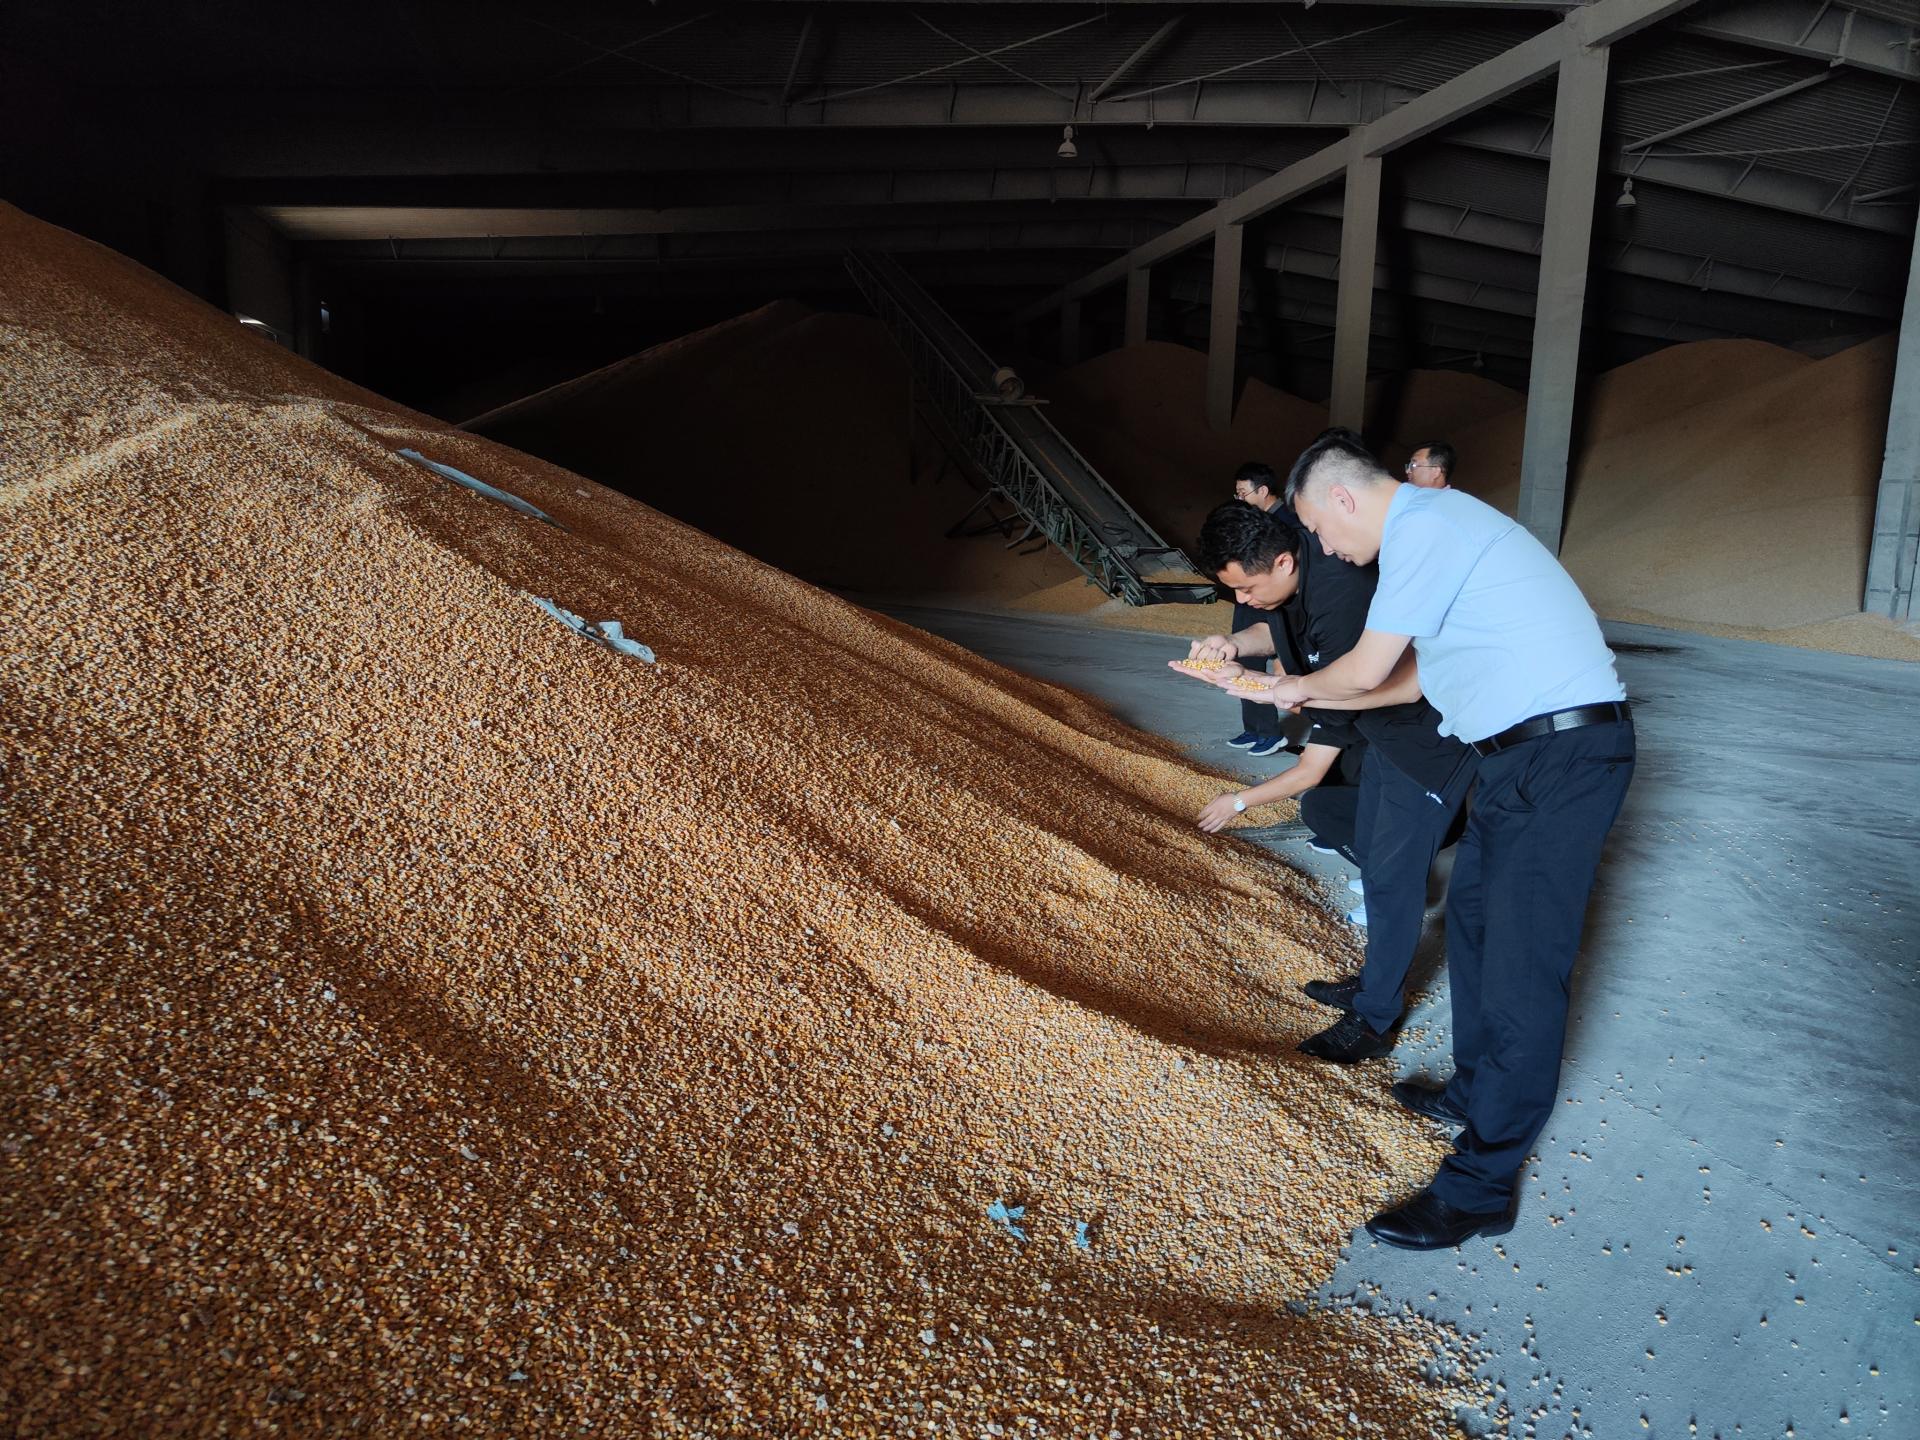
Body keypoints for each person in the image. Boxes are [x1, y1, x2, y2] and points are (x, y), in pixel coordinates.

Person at [1245, 432, 1633, 1251]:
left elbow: (1361, 671)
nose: (1319, 545)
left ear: (1343, 499)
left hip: (1563, 755)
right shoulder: (1433, 536)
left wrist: (1291, 689)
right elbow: (1411, 673)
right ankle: (1475, 1089)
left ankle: (1481, 1186)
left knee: (1524, 970)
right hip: (1512, 757)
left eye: (1315, 526)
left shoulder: (1428, 527)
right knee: (1473, 925)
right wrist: (1292, 683)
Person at [1181, 494, 1471, 1060]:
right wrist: (1235, 646)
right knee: (1375, 851)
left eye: (1245, 590)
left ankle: (1374, 1020)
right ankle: (1373, 982)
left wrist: (1262, 688)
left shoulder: (1342, 594)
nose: (1242, 601)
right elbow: (1281, 635)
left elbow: (1344, 692)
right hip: (1387, 738)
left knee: (1392, 878)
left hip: (1427, 745)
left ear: (1282, 563)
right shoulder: (1296, 575)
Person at [1220, 462, 1291, 758]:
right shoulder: (1256, 521)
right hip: (1250, 598)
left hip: (1267, 600)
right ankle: (1253, 728)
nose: (1239, 499)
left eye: (1242, 493)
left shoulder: (1285, 520)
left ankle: (1270, 734)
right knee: (1243, 659)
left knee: (1259, 667)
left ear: (1262, 490)